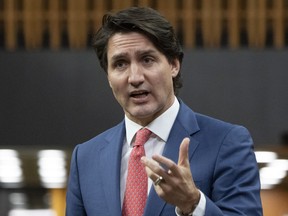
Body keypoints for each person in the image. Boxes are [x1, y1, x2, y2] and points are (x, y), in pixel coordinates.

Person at [66, 7, 262, 216]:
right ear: (108, 77)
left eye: (147, 59)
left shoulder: (227, 142)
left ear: (174, 65)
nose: (135, 77)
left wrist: (193, 204)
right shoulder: (85, 157)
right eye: (120, 64)